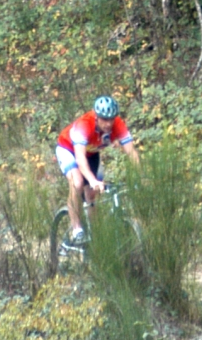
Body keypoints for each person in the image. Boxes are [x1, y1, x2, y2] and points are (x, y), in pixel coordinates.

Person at [55, 95, 140, 243]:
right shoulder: (84, 125)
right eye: (104, 119)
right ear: (96, 117)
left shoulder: (118, 125)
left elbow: (132, 152)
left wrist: (140, 176)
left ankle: (95, 237)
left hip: (91, 153)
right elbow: (80, 159)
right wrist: (92, 180)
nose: (108, 124)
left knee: (93, 194)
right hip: (68, 149)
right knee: (78, 183)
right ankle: (76, 228)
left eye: (111, 119)